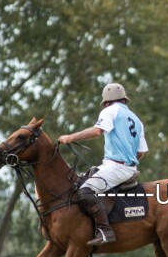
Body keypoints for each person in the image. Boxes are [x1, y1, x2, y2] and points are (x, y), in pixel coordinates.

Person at [59, 83, 148, 246]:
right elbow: (141, 152)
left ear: (107, 102)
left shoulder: (109, 111)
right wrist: (128, 161)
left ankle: (105, 231)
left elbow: (97, 131)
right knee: (82, 180)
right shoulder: (137, 120)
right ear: (124, 100)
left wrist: (70, 137)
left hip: (117, 167)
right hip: (125, 167)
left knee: (84, 191)